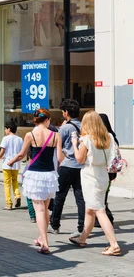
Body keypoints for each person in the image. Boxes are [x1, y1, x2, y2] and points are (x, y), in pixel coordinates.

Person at [7, 109, 60, 254]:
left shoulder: (30, 135)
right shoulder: (56, 135)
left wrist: (11, 161)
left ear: (35, 120)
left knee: (39, 210)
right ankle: (41, 238)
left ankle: (45, 244)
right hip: (50, 175)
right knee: (45, 208)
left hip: (35, 175)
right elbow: (60, 158)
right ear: (48, 120)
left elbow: (21, 154)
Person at [68, 111, 121, 256]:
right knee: (90, 209)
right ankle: (82, 238)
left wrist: (74, 144)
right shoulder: (108, 137)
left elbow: (79, 159)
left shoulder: (86, 139)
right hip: (103, 175)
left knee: (99, 210)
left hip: (90, 177)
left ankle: (114, 244)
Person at [51, 99, 85, 237]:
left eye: (63, 111)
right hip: (80, 166)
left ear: (66, 112)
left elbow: (57, 144)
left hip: (66, 165)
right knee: (81, 198)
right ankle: (81, 226)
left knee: (60, 196)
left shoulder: (65, 128)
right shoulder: (84, 126)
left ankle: (55, 224)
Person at [0, 121, 23, 210]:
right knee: (15, 181)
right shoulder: (20, 139)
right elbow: (22, 153)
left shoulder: (5, 139)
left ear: (9, 129)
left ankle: (9, 203)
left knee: (7, 184)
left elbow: (2, 152)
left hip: (7, 164)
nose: (5, 130)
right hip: (16, 164)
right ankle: (17, 196)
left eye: (5, 129)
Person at [97, 113, 118, 225]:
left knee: (99, 196)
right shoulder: (112, 136)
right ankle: (104, 216)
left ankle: (105, 217)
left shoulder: (102, 137)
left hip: (101, 170)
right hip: (110, 171)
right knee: (104, 194)